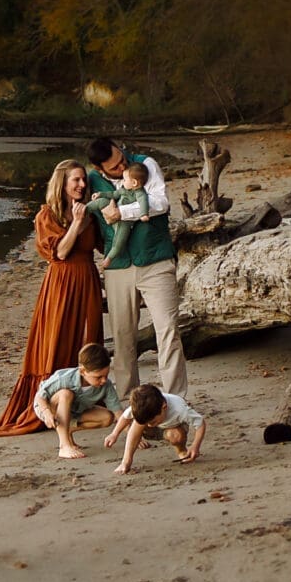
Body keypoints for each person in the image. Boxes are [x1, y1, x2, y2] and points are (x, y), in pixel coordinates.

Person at [0, 161, 106, 438]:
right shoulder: (48, 215)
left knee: (87, 338)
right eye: (75, 181)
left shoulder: (91, 212)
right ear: (62, 184)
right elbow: (62, 252)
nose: (81, 185)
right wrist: (77, 224)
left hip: (87, 280)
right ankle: (51, 402)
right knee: (57, 338)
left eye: (83, 180)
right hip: (61, 283)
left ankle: (80, 402)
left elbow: (103, 244)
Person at [88, 137, 187, 395]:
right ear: (100, 170)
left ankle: (175, 401)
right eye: (114, 166)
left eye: (121, 158)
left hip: (156, 260)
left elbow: (160, 203)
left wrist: (123, 213)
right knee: (123, 338)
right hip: (118, 267)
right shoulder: (92, 181)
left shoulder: (146, 165)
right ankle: (129, 404)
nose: (122, 166)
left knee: (168, 331)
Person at [32, 342, 126, 459]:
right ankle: (64, 445)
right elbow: (39, 397)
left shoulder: (106, 385)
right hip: (48, 407)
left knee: (108, 417)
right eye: (98, 377)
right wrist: (46, 413)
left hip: (75, 411)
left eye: (106, 375)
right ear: (82, 371)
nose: (103, 380)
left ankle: (67, 429)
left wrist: (134, 435)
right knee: (66, 394)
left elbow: (119, 413)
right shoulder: (65, 378)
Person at [104, 382, 207, 474]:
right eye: (148, 423)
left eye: (152, 422)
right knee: (138, 423)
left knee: (176, 435)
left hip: (171, 428)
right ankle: (126, 461)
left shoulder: (180, 409)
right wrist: (115, 433)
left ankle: (181, 451)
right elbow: (125, 417)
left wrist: (195, 446)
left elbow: (200, 424)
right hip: (148, 431)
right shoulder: (141, 406)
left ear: (164, 407)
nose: (149, 425)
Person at [95, 161, 151, 271]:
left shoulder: (140, 193)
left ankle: (109, 258)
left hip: (125, 222)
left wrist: (144, 214)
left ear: (134, 183)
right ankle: (86, 208)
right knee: (99, 202)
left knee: (119, 240)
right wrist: (100, 194)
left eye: (125, 180)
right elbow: (113, 194)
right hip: (114, 216)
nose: (123, 181)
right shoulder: (123, 189)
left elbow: (144, 202)